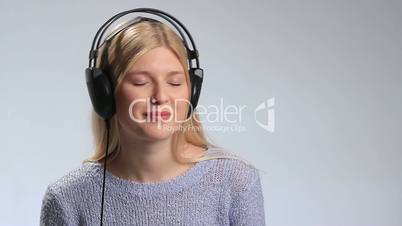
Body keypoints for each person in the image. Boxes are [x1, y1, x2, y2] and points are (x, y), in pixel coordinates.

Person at [40, 11, 266, 226]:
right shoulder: (67, 199)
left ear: (192, 91)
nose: (161, 97)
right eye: (141, 82)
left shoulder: (236, 182)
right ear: (104, 94)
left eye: (175, 83)